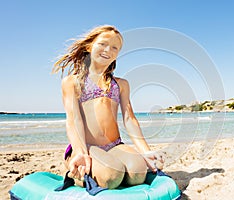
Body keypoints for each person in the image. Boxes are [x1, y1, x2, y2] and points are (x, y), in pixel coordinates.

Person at [52, 25, 164, 189]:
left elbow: (129, 119)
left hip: (115, 145)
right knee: (113, 175)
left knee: (138, 173)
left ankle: (108, 166)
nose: (108, 50)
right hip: (87, 147)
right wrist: (80, 152)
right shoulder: (72, 82)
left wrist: (145, 151)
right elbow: (73, 120)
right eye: (103, 44)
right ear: (90, 46)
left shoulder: (121, 84)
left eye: (114, 48)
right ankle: (76, 168)